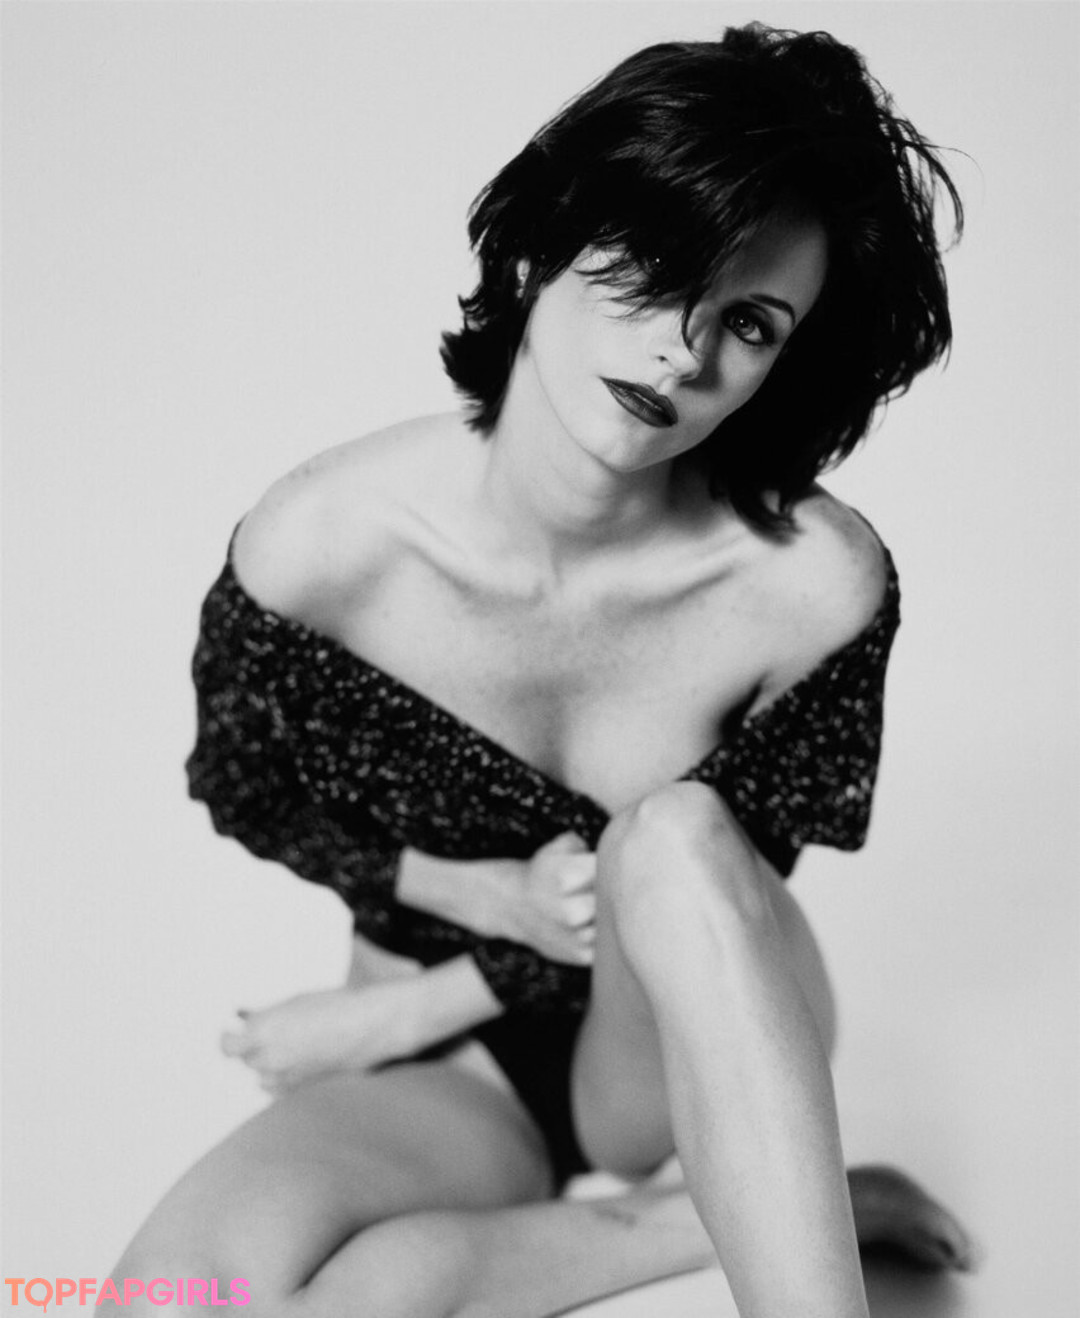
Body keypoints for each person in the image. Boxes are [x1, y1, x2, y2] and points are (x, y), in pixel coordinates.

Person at [106, 23, 974, 1318]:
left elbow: (713, 911)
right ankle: (726, 1212)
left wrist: (407, 1008)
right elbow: (246, 783)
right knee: (174, 1302)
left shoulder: (808, 589)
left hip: (676, 1029)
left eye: (750, 322)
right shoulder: (323, 548)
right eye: (660, 269)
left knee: (676, 838)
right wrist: (463, 916)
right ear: (538, 247)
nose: (686, 352)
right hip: (468, 1077)